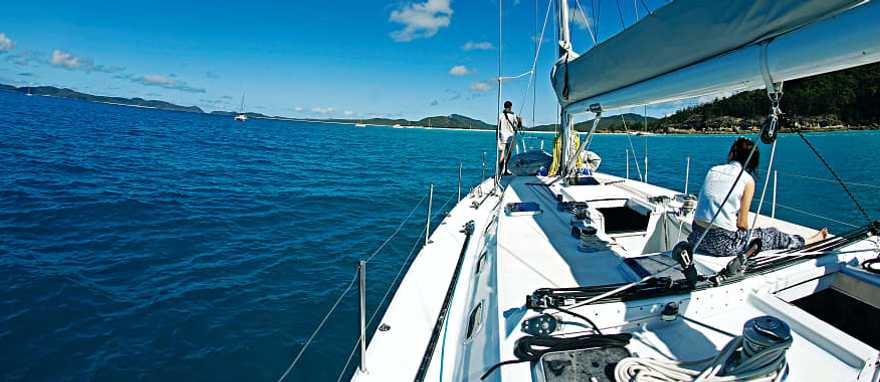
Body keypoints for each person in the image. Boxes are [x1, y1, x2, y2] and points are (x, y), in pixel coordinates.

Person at [688, 137, 828, 257]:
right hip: (723, 245)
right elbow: (742, 224)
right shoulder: (747, 180)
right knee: (772, 235)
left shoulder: (713, 170)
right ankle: (809, 241)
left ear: (732, 154)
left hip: (696, 238)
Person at [497, 100, 523, 175]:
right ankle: (505, 171)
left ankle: (500, 171)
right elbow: (519, 127)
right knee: (508, 154)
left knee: (502, 154)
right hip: (510, 137)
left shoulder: (500, 115)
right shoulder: (513, 115)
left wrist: (497, 137)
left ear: (504, 107)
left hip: (502, 136)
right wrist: (520, 121)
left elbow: (497, 127)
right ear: (510, 107)